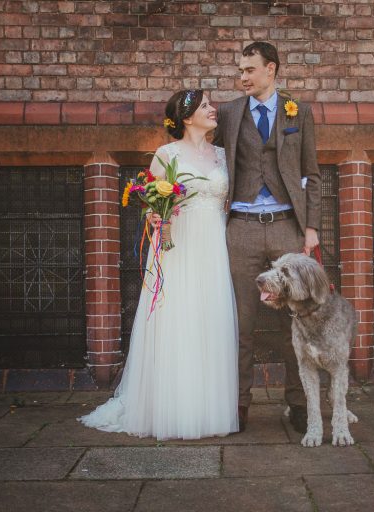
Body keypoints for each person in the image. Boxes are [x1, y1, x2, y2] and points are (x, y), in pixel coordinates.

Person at [79, 90, 239, 439]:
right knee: (177, 319)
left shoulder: (224, 155)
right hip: (176, 246)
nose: (213, 110)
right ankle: (172, 408)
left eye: (211, 105)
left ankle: (207, 408)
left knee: (209, 319)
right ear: (186, 117)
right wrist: (155, 215)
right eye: (205, 106)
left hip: (213, 245)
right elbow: (152, 200)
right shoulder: (167, 154)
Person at [213, 41, 322, 433]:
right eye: (240, 70)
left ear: (271, 69)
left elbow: (313, 174)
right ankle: (239, 405)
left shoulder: (299, 112)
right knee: (241, 322)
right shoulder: (226, 113)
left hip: (285, 227)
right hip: (239, 229)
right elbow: (196, 149)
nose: (243, 76)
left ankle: (298, 403)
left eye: (249, 69)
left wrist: (310, 230)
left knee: (295, 321)